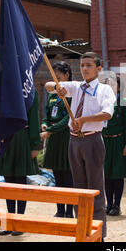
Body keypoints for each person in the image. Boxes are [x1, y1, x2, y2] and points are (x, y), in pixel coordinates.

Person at [44, 52, 116, 240]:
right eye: (82, 65)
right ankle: (82, 229)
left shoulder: (104, 90)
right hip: (74, 141)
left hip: (92, 140)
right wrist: (56, 87)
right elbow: (48, 86)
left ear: (98, 68)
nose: (85, 69)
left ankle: (98, 233)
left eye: (89, 65)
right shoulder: (75, 87)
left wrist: (84, 119)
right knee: (79, 188)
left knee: (95, 188)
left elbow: (107, 114)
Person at [0, 89, 41, 236]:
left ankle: (20, 223)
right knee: (8, 181)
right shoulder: (1, 88)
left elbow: (34, 117)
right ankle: (11, 222)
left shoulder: (29, 90)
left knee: (20, 181)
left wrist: (34, 144)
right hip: (4, 137)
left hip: (20, 138)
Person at [40, 61, 74, 218]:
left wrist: (51, 130)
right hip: (53, 139)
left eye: (58, 76)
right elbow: (47, 115)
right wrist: (45, 125)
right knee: (57, 177)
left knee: (68, 177)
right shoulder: (53, 95)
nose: (56, 80)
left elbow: (68, 118)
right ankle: (60, 210)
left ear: (67, 75)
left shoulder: (73, 94)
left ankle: (69, 211)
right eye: (54, 77)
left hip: (66, 138)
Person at [103, 76, 126, 216]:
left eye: (112, 85)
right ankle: (108, 203)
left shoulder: (124, 104)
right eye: (107, 85)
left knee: (117, 174)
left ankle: (117, 205)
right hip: (104, 141)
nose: (109, 87)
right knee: (106, 175)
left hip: (119, 141)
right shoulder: (102, 102)